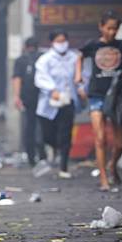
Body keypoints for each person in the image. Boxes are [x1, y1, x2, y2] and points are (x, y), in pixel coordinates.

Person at [75, 12, 122, 190]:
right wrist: (78, 76)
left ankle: (112, 164)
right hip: (96, 94)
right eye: (109, 28)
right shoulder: (92, 45)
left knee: (119, 143)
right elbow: (79, 56)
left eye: (115, 29)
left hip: (118, 97)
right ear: (101, 26)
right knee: (100, 138)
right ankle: (104, 179)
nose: (112, 32)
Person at [35, 30, 80, 179]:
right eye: (58, 41)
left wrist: (80, 89)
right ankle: (53, 148)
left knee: (66, 135)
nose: (62, 44)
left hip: (68, 101)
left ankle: (64, 167)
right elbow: (40, 78)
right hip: (49, 104)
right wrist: (51, 89)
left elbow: (80, 76)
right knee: (48, 135)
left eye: (64, 41)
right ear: (52, 42)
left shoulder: (74, 58)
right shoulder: (45, 59)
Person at [12, 37, 47, 171]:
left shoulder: (20, 60)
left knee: (29, 127)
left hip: (27, 98)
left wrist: (16, 97)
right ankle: (43, 155)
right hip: (43, 98)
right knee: (43, 126)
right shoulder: (43, 58)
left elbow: (17, 79)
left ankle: (32, 157)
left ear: (25, 46)